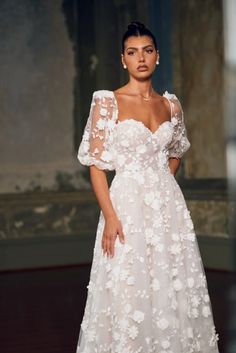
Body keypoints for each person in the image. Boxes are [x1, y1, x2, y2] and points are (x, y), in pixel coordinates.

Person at [76, 21, 220, 353]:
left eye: (148, 50)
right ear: (123, 59)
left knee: (170, 282)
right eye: (132, 52)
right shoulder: (107, 102)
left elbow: (175, 153)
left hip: (168, 208)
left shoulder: (170, 105)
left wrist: (161, 183)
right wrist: (111, 216)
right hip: (125, 206)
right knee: (130, 285)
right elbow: (97, 167)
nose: (141, 58)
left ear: (157, 57)